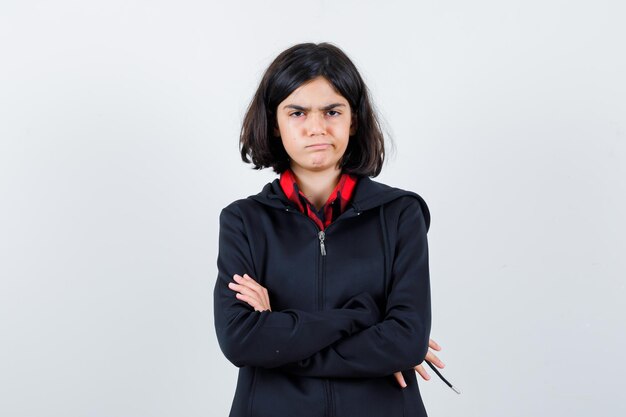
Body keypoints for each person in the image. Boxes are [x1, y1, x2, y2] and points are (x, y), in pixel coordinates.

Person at [213, 42, 445, 417]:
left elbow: (406, 343)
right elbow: (241, 342)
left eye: (332, 111)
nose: (316, 127)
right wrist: (363, 318)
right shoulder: (244, 220)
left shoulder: (401, 214)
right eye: (297, 112)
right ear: (275, 122)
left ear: (353, 120)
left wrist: (278, 331)